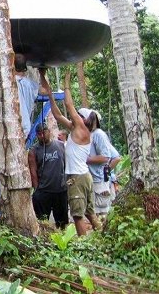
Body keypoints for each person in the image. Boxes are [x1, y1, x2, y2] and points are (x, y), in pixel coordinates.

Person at [40, 68, 101, 235]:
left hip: (77, 177)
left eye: (78, 116)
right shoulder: (77, 130)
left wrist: (66, 82)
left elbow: (68, 105)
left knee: (77, 215)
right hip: (83, 176)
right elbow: (58, 115)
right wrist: (50, 93)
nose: (75, 117)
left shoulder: (82, 129)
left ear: (83, 120)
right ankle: (102, 237)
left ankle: (83, 246)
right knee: (89, 212)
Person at [80, 108, 121, 218]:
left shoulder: (99, 135)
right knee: (93, 213)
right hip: (92, 181)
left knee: (101, 215)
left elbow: (109, 157)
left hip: (99, 182)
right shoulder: (89, 135)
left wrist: (105, 173)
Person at [28, 123, 69, 228]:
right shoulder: (34, 150)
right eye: (39, 134)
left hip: (60, 190)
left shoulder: (60, 145)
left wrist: (66, 182)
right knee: (42, 223)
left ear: (49, 132)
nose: (42, 136)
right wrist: (37, 189)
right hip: (43, 191)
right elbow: (33, 171)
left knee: (62, 223)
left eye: (44, 132)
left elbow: (66, 164)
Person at [14, 54, 39, 138]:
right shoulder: (30, 84)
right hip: (25, 127)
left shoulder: (9, 83)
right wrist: (42, 73)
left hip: (14, 127)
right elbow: (46, 91)